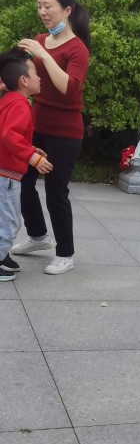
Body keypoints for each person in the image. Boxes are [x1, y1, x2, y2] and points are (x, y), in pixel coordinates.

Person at [11, 0, 90, 275]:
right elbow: (23, 76)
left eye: (48, 6)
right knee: (22, 181)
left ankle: (65, 254)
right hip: (34, 124)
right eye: (39, 6)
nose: (42, 12)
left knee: (56, 192)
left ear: (67, 10)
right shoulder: (39, 40)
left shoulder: (77, 49)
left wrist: (43, 55)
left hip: (65, 132)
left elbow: (70, 90)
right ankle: (38, 237)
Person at [0, 49, 53, 282]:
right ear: (24, 80)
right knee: (10, 221)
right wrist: (32, 158)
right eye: (36, 73)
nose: (40, 78)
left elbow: (9, 134)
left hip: (4, 171)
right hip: (7, 176)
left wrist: (30, 148)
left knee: (4, 218)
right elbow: (9, 135)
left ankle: (2, 256)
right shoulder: (21, 105)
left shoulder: (8, 101)